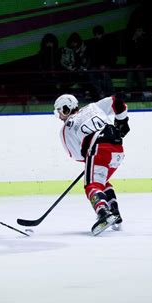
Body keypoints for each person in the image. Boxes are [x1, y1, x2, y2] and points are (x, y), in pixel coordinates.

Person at [53, 93, 130, 236]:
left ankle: (103, 212)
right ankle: (114, 212)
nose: (60, 116)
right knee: (101, 181)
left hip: (98, 147)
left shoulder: (66, 129)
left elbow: (77, 155)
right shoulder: (94, 107)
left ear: (66, 109)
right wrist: (123, 122)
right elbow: (117, 100)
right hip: (118, 147)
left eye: (60, 111)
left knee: (92, 185)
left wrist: (90, 159)